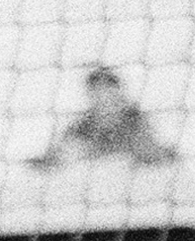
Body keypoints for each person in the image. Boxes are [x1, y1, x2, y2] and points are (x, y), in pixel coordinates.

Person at [28, 64, 178, 168]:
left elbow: (152, 154)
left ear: (118, 93)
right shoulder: (83, 128)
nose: (104, 99)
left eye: (108, 92)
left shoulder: (134, 121)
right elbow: (59, 159)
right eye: (98, 93)